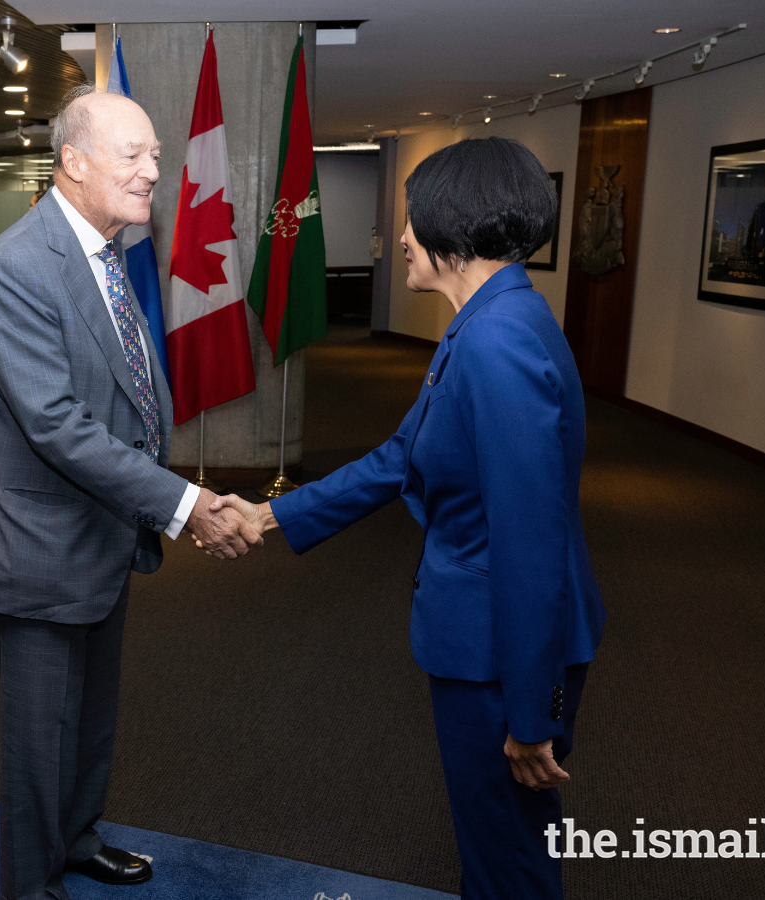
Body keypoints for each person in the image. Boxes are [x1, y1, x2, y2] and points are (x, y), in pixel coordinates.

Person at [211, 137, 606, 900]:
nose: (398, 237)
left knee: (509, 857)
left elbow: (531, 546)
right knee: (497, 844)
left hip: (500, 652)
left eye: (410, 218)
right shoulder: (487, 321)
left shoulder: (496, 342)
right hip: (492, 641)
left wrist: (531, 717)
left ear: (452, 227)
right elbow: (401, 457)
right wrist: (267, 517)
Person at [0, 85, 261, 900]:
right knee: (37, 740)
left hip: (99, 534)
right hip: (33, 549)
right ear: (74, 162)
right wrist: (189, 506)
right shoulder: (17, 269)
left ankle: (76, 839)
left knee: (88, 723)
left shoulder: (107, 253)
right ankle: (30, 884)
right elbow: (57, 425)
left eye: (156, 153)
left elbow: (126, 402)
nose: (155, 169)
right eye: (135, 154)